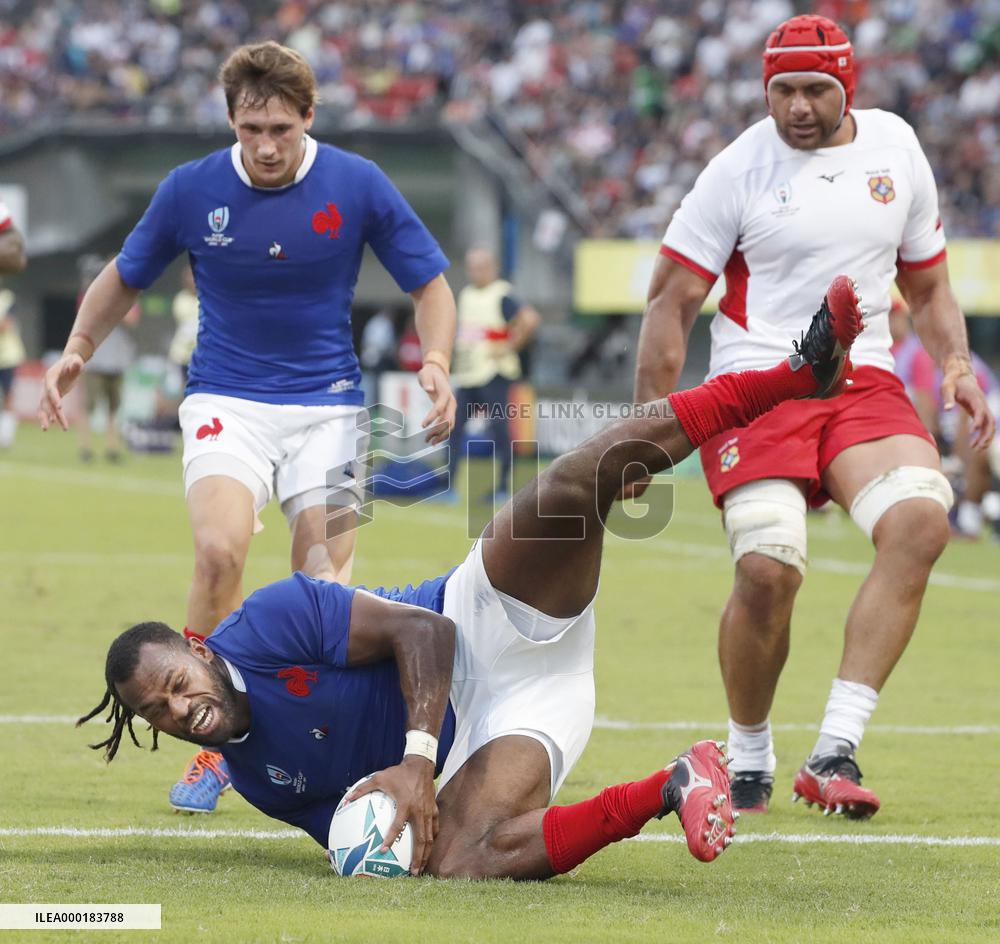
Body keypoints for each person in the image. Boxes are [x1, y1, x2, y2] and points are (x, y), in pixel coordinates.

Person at [79, 276, 862, 878]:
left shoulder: (268, 620)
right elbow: (368, 832)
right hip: (521, 713)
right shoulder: (258, 780)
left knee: (569, 484)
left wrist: (415, 761)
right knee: (463, 858)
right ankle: (673, 784)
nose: (180, 710)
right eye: (158, 712)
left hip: (480, 613)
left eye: (176, 683)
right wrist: (391, 836)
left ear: (198, 648)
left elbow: (427, 629)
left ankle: (791, 376)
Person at [38, 42, 458, 813]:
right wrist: (75, 350)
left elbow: (430, 283)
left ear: (308, 117)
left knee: (321, 585)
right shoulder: (190, 189)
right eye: (248, 128)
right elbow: (124, 278)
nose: (264, 146)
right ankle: (212, 753)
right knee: (219, 548)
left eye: (279, 129)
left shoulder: (357, 182)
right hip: (227, 399)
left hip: (331, 405)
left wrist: (435, 359)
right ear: (231, 120)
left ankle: (316, 743)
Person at [633, 14, 995, 818]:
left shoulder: (896, 149)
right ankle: (751, 746)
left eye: (814, 90)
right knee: (769, 569)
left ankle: (835, 748)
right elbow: (673, 299)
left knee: (921, 521)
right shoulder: (736, 169)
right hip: (756, 386)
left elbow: (928, 286)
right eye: (782, 91)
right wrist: (643, 431)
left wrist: (959, 369)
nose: (796, 106)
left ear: (848, 87)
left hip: (862, 380)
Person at [890, 299, 1000, 540]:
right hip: (962, 431)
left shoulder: (961, 364)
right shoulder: (921, 356)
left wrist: (953, 457)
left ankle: (968, 521)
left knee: (976, 453)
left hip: (984, 430)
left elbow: (967, 418)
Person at [446, 248, 540, 503]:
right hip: (468, 375)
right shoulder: (466, 294)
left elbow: (529, 319)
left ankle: (502, 488)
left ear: (493, 267)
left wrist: (509, 346)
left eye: (480, 266)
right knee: (453, 428)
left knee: (500, 430)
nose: (475, 271)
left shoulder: (502, 294)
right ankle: (449, 487)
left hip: (494, 373)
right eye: (471, 266)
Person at [75, 254, 140, 463]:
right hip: (94, 358)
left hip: (117, 359)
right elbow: (92, 316)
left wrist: (116, 302)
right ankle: (85, 447)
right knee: (89, 405)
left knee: (114, 406)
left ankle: (112, 447)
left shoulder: (127, 294)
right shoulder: (88, 295)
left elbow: (131, 319)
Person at [0, 201, 27, 449]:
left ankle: (5, 439)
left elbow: (16, 257)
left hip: (7, 356)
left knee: (8, 396)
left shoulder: (6, 298)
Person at [168, 264, 199, 387]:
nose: (191, 280)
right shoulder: (180, 299)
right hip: (182, 356)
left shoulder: (206, 298)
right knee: (181, 389)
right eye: (188, 277)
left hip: (202, 356)